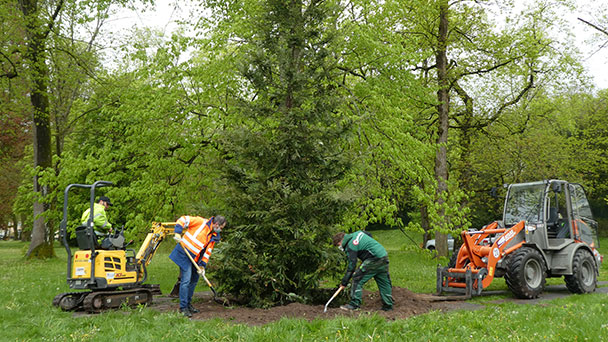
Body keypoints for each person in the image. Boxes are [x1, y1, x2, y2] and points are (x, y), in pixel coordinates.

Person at [170, 215, 226, 317]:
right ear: (217, 224)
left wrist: (202, 266)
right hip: (184, 254)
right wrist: (177, 233)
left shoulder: (213, 236)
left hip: (195, 259)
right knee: (186, 280)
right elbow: (183, 220)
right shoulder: (200, 222)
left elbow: (207, 252)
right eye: (221, 228)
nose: (220, 230)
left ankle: (188, 304)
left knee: (194, 280)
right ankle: (183, 308)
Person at [332, 231, 393, 311]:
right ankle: (388, 306)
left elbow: (352, 265)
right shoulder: (357, 233)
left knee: (357, 278)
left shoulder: (350, 245)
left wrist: (344, 282)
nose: (340, 248)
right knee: (383, 281)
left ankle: (354, 304)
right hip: (383, 255)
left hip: (374, 259)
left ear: (341, 241)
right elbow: (369, 234)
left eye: (338, 245)